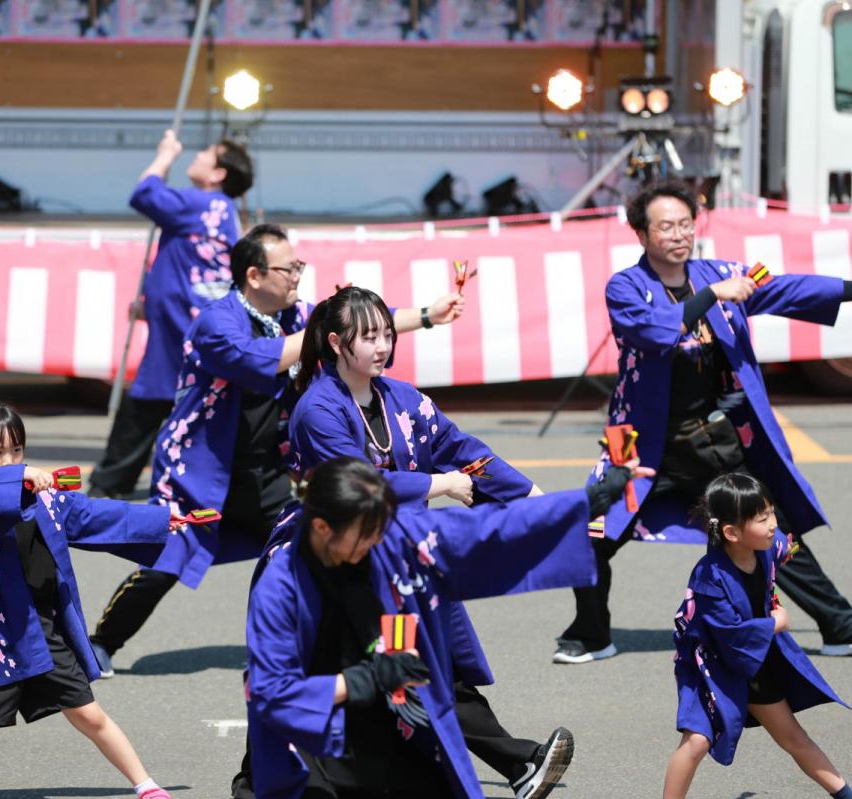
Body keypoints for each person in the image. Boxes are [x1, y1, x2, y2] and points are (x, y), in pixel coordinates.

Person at [554, 180, 852, 665]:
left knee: (767, 530)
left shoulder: (716, 273)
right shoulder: (627, 286)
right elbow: (651, 331)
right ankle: (591, 633)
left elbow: (785, 289)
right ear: (640, 234)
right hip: (634, 443)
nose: (680, 235)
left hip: (708, 439)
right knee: (591, 533)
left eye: (686, 224)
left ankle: (841, 626)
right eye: (666, 226)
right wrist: (712, 296)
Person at [89, 225, 465, 676]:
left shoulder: (294, 316)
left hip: (267, 471)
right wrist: (323, 332)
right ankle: (101, 642)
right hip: (201, 471)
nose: (297, 277)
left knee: (311, 544)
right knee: (170, 559)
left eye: (299, 267)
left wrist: (427, 314)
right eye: (289, 268)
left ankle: (332, 645)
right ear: (254, 275)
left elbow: (355, 325)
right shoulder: (216, 322)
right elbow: (258, 358)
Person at [288, 286, 577, 799]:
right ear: (334, 342)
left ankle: (518, 762)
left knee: (416, 664)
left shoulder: (401, 397)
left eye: (386, 334)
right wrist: (438, 484)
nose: (381, 346)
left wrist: (531, 497)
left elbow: (464, 451)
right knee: (388, 669)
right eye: (367, 336)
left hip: (396, 557)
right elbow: (355, 483)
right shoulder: (318, 410)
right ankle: (518, 761)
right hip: (336, 563)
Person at [246, 456, 645, 799]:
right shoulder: (280, 584)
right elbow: (272, 691)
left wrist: (588, 501)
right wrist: (361, 681)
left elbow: (489, 529)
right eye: (365, 534)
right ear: (321, 529)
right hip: (315, 731)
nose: (377, 539)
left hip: (398, 717)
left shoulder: (393, 536)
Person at [0, 399, 191, 799]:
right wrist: (23, 474)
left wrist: (161, 520)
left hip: (40, 628)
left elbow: (100, 516)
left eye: (17, 451)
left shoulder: (46, 498)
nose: (9, 460)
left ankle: (146, 786)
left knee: (88, 713)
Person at [664, 473, 852, 799]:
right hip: (712, 667)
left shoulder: (767, 545)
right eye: (762, 518)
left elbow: (784, 545)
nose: (772, 523)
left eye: (771, 512)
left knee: (793, 736)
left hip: (755, 661)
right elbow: (729, 634)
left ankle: (849, 797)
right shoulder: (709, 577)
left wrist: (788, 547)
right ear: (731, 532)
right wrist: (774, 623)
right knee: (696, 741)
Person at [89, 129, 254, 500]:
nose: (197, 155)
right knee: (192, 398)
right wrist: (154, 300)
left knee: (151, 395)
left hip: (184, 323)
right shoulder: (221, 211)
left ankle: (110, 482)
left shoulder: (202, 203)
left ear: (218, 174)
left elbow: (144, 193)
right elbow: (188, 262)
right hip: (190, 316)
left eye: (208, 153)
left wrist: (165, 155)